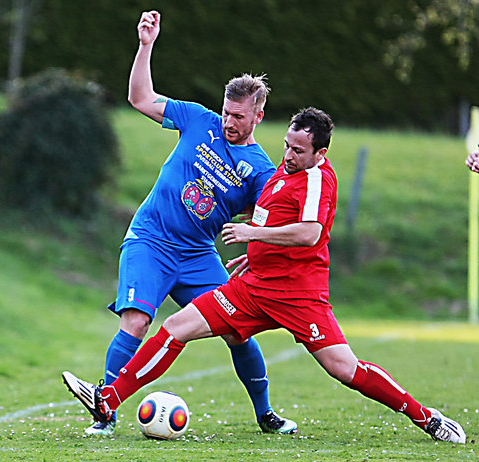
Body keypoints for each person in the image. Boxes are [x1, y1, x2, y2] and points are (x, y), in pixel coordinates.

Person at [63, 107, 467, 444]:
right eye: (287, 145)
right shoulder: (282, 173)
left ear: (320, 152)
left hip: (298, 297)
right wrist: (255, 255)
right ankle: (108, 399)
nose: (288, 155)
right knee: (175, 327)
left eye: (299, 150)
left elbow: (309, 233)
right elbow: (268, 217)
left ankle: (425, 417)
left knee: (345, 369)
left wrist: (254, 235)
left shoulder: (317, 181)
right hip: (253, 288)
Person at [83, 9, 297, 436]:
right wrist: (145, 46)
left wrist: (259, 253)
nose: (229, 122)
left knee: (237, 330)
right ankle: (103, 414)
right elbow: (140, 98)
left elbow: (265, 220)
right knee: (137, 322)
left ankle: (265, 414)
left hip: (198, 256)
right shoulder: (198, 119)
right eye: (226, 113)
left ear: (258, 115)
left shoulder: (260, 169)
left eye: (238, 116)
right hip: (149, 240)